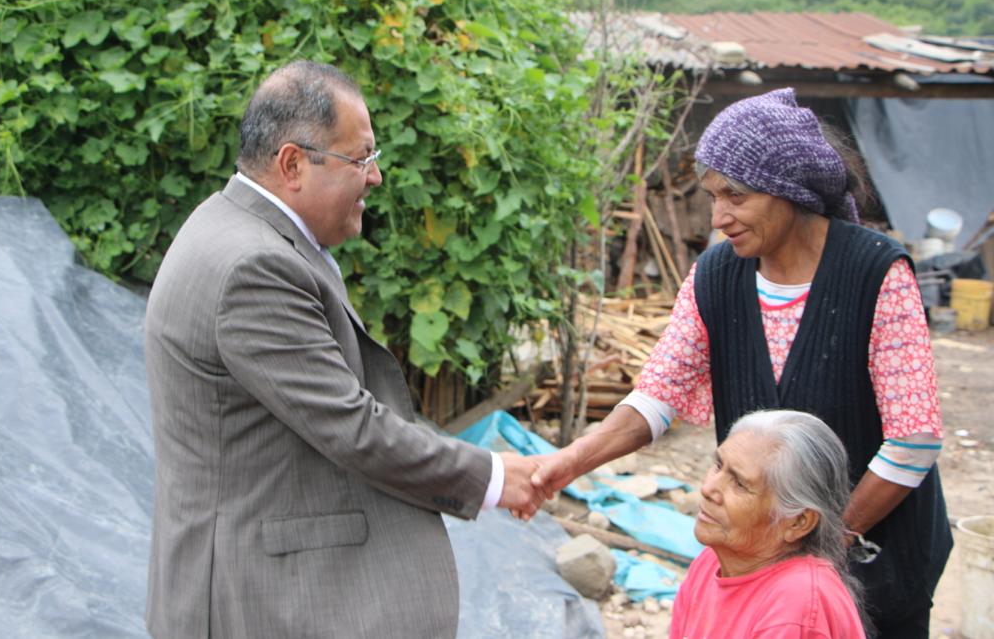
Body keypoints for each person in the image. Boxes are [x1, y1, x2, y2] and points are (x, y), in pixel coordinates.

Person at [144, 61, 543, 639]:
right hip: (249, 596)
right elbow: (352, 427)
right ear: (292, 164)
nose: (375, 176)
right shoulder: (256, 267)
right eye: (360, 159)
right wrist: (495, 477)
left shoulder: (232, 225)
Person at [533, 88, 951, 638]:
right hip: (761, 554)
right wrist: (569, 463)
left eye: (735, 196)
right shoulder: (717, 275)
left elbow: (912, 441)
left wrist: (821, 541)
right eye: (712, 196)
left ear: (789, 190)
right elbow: (658, 395)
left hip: (878, 552)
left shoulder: (875, 273)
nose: (718, 217)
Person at [670, 410, 867, 639]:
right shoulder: (712, 560)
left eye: (740, 484)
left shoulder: (796, 605)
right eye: (718, 465)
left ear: (798, 522)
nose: (708, 489)